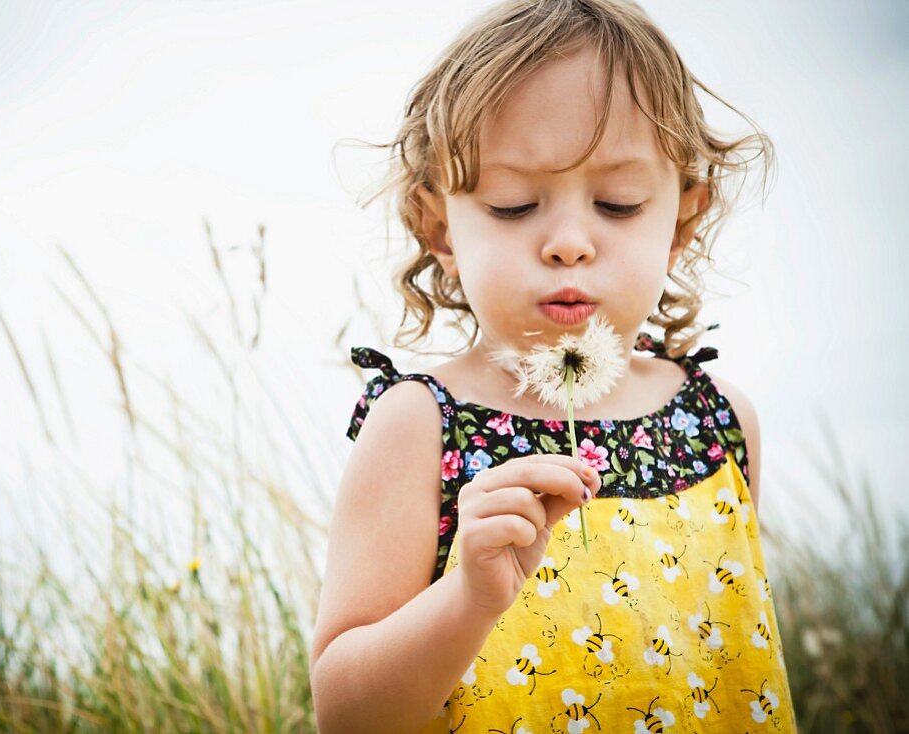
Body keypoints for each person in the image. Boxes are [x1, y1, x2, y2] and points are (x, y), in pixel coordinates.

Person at [310, 0, 795, 732]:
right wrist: (467, 597)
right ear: (439, 227)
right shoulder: (419, 427)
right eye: (513, 205)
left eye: (618, 202)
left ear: (683, 221)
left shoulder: (720, 423)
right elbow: (346, 716)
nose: (569, 241)